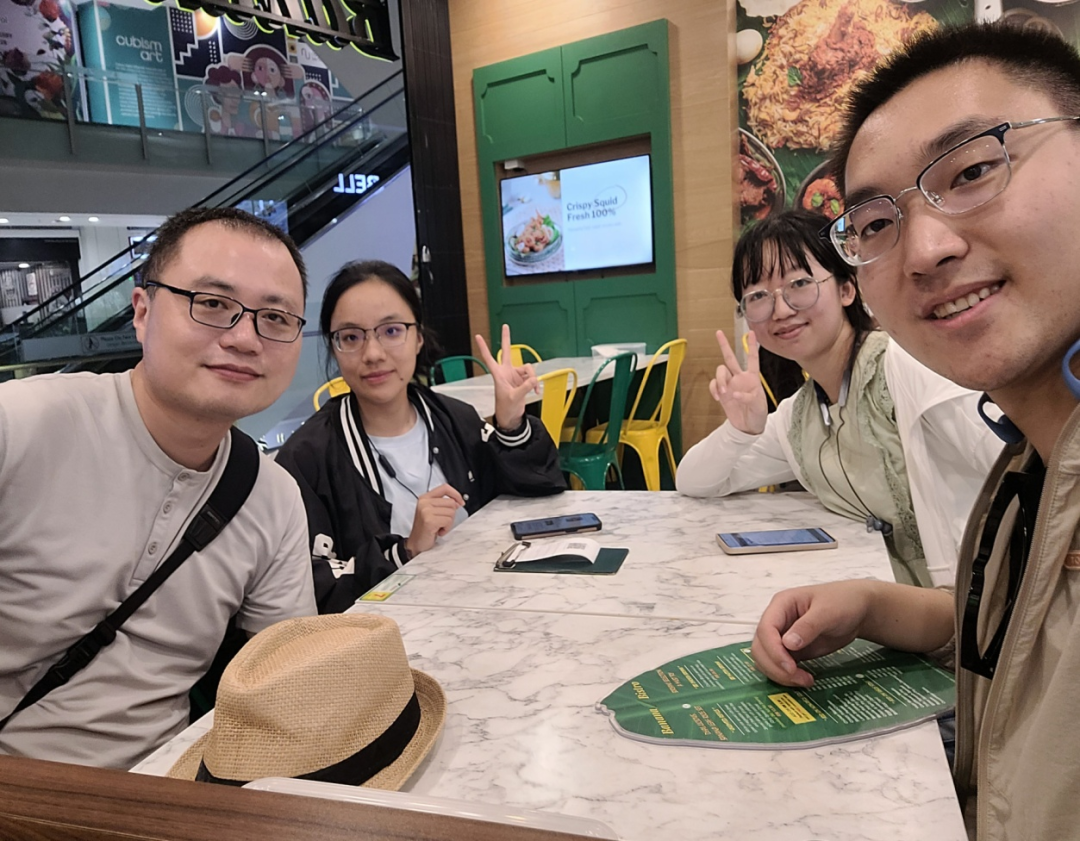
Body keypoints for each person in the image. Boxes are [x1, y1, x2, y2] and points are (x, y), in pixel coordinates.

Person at [750, 23, 1080, 840]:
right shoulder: (1025, 471)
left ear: (843, 294)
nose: (926, 248)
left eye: (972, 171)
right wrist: (868, 602)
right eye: (874, 223)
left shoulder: (915, 382)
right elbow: (1011, 628)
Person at [0, 207, 317, 770]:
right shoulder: (20, 427)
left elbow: (289, 681)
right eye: (212, 303)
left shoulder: (273, 497)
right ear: (142, 313)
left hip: (163, 786)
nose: (245, 338)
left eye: (275, 317)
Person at [677, 210, 1001, 587]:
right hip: (890, 602)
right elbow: (694, 481)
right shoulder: (801, 417)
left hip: (974, 606)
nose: (781, 310)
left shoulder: (906, 368)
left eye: (800, 283)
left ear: (847, 289)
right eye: (758, 296)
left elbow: (1017, 468)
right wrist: (739, 432)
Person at [275, 260, 565, 613]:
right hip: (388, 636)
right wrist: (405, 550)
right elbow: (307, 587)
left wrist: (511, 423)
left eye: (391, 331)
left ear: (418, 337)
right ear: (334, 348)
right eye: (351, 337)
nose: (373, 354)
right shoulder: (307, 458)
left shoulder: (457, 419)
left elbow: (538, 500)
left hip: (489, 609)